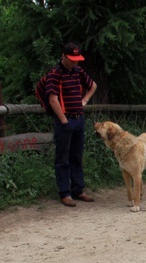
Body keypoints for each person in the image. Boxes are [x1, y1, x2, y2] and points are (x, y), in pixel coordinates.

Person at [45, 42, 98, 207]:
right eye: (72, 59)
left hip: (78, 118)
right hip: (65, 119)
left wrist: (85, 100)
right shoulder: (55, 74)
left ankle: (78, 189)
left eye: (77, 59)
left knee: (76, 155)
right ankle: (64, 193)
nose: (75, 62)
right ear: (64, 56)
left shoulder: (78, 71)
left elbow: (93, 85)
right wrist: (63, 119)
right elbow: (52, 99)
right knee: (63, 157)